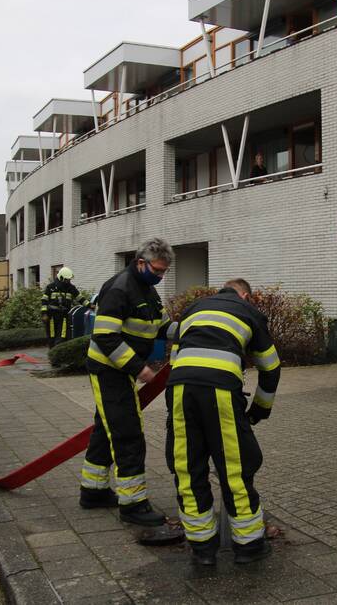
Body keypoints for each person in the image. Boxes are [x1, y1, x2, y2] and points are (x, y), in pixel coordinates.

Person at [165, 278, 281, 566]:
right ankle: (248, 546)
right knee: (234, 467)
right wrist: (259, 410)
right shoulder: (249, 311)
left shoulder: (194, 308)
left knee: (187, 467)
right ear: (245, 296)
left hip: (180, 389)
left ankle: (202, 548)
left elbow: (175, 358)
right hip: (221, 391)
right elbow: (271, 366)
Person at [79, 238, 176, 526]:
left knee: (106, 429)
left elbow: (163, 326)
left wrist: (192, 331)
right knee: (128, 433)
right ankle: (133, 504)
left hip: (120, 370)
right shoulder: (119, 289)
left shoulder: (147, 289)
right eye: (157, 270)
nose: (160, 276)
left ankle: (93, 491)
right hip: (109, 369)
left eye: (164, 271)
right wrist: (139, 368)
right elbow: (105, 336)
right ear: (141, 262)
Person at [41, 267, 82, 348]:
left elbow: (80, 298)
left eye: (69, 279)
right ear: (61, 278)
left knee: (62, 337)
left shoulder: (71, 288)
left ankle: (58, 353)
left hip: (64, 316)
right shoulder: (51, 287)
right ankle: (52, 353)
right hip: (51, 316)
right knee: (52, 337)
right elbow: (44, 301)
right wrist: (44, 314)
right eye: (67, 279)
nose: (69, 281)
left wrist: (90, 305)